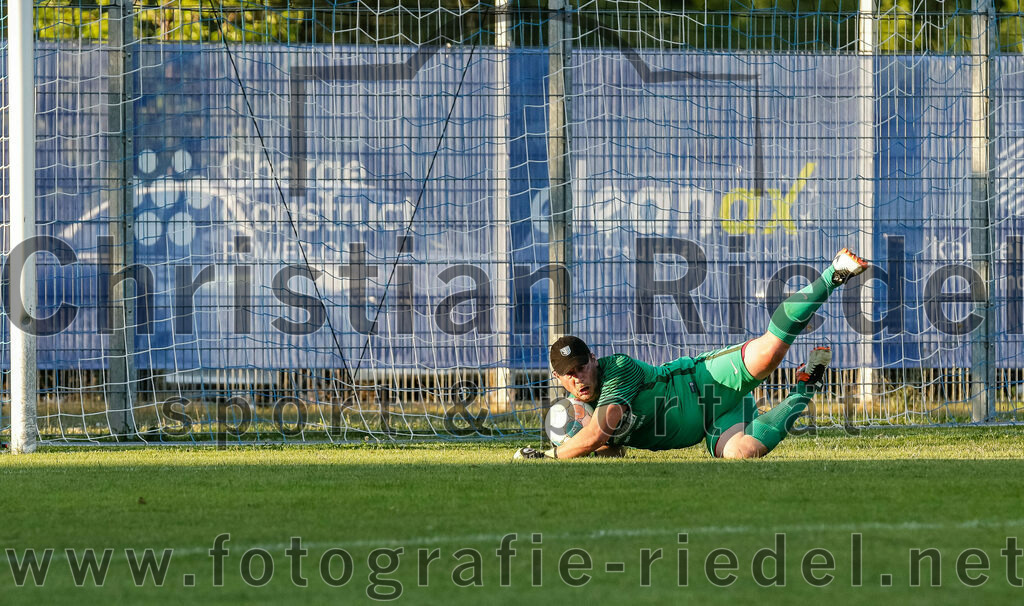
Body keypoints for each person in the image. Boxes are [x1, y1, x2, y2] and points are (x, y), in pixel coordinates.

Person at [513, 248, 868, 460]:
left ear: (593, 359)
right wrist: (582, 447)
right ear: (558, 380)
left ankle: (831, 274)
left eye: (581, 366)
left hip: (706, 379)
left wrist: (552, 455)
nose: (578, 377)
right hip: (711, 423)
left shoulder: (616, 369)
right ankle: (805, 388)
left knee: (771, 352)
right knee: (742, 454)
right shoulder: (584, 410)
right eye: (569, 374)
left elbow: (598, 433)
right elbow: (608, 447)